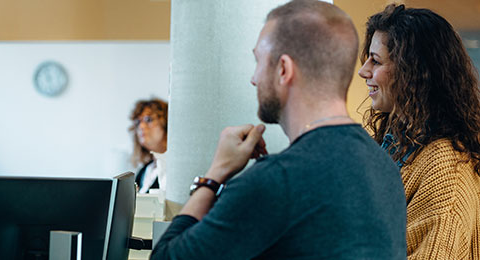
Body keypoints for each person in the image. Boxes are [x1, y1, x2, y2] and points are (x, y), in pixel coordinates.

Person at [151, 1, 406, 259]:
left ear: (284, 69)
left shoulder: (276, 181)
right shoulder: (384, 167)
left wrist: (214, 175)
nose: (254, 78)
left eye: (258, 61)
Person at [357, 4, 480, 259]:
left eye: (376, 61)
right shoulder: (398, 144)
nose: (363, 71)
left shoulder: (446, 169)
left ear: (412, 71)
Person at [128, 98, 168, 193]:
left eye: (148, 119)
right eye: (138, 122)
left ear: (166, 124)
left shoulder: (174, 169)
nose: (141, 126)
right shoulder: (143, 171)